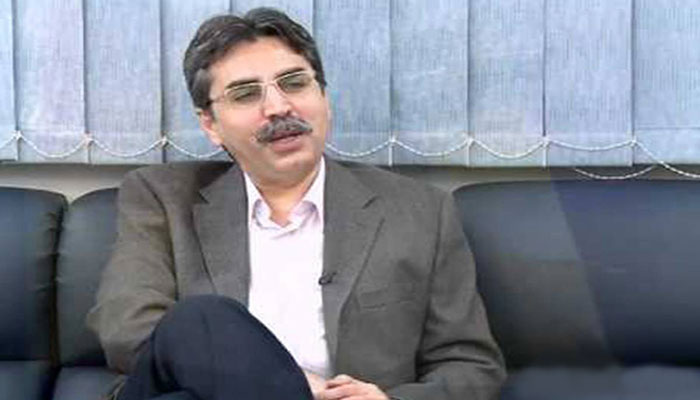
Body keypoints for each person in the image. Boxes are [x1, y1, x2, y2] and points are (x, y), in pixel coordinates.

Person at [87, 7, 505, 400]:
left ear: (323, 96)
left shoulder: (419, 211)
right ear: (211, 125)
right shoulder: (161, 197)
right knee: (200, 321)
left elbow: (470, 365)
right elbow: (128, 328)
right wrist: (287, 385)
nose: (278, 107)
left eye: (294, 83)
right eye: (245, 94)